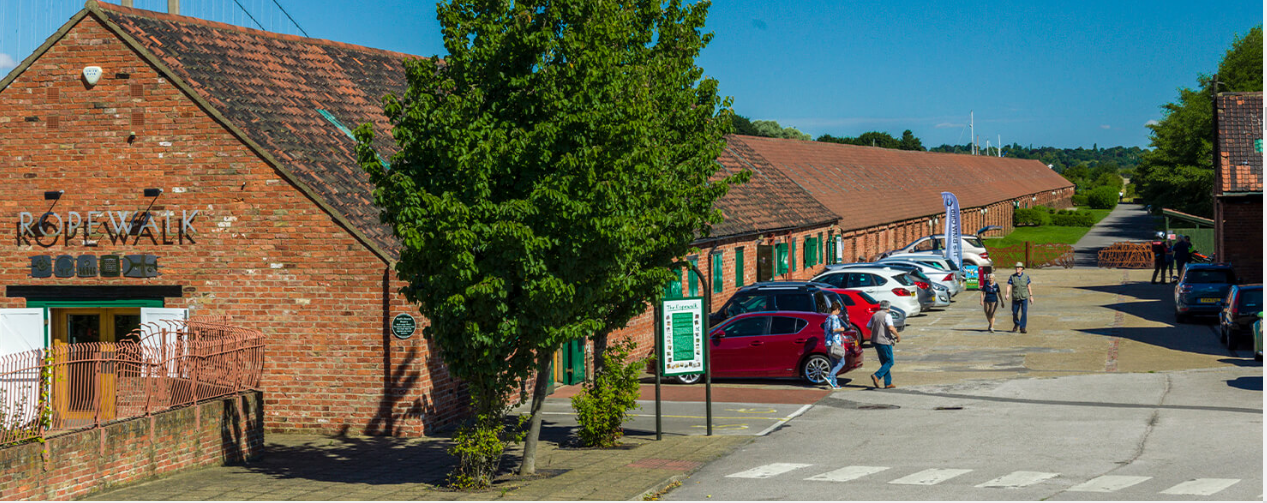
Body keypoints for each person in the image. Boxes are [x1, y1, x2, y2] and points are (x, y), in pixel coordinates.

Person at [868, 300, 899, 389]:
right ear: (888, 307)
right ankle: (877, 375)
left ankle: (888, 382)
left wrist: (877, 331)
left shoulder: (875, 315)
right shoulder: (887, 315)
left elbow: (868, 326)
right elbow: (890, 328)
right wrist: (897, 335)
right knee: (890, 361)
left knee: (884, 362)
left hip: (876, 341)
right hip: (884, 341)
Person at [823, 302, 848, 390]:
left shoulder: (827, 318)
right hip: (835, 343)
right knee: (842, 362)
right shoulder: (835, 318)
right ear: (837, 309)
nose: (839, 312)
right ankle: (830, 376)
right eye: (839, 310)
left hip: (828, 343)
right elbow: (834, 329)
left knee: (834, 363)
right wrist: (842, 329)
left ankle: (834, 383)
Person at [1005, 262, 1034, 333]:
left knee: (1024, 312)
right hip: (1015, 297)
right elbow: (1009, 285)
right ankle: (1017, 323)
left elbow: (1029, 286)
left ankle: (1022, 327)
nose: (1017, 269)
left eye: (1018, 267)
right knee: (1014, 312)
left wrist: (1031, 296)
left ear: (1022, 268)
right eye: (1016, 267)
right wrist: (1007, 294)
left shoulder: (1026, 276)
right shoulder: (1012, 277)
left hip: (1024, 297)